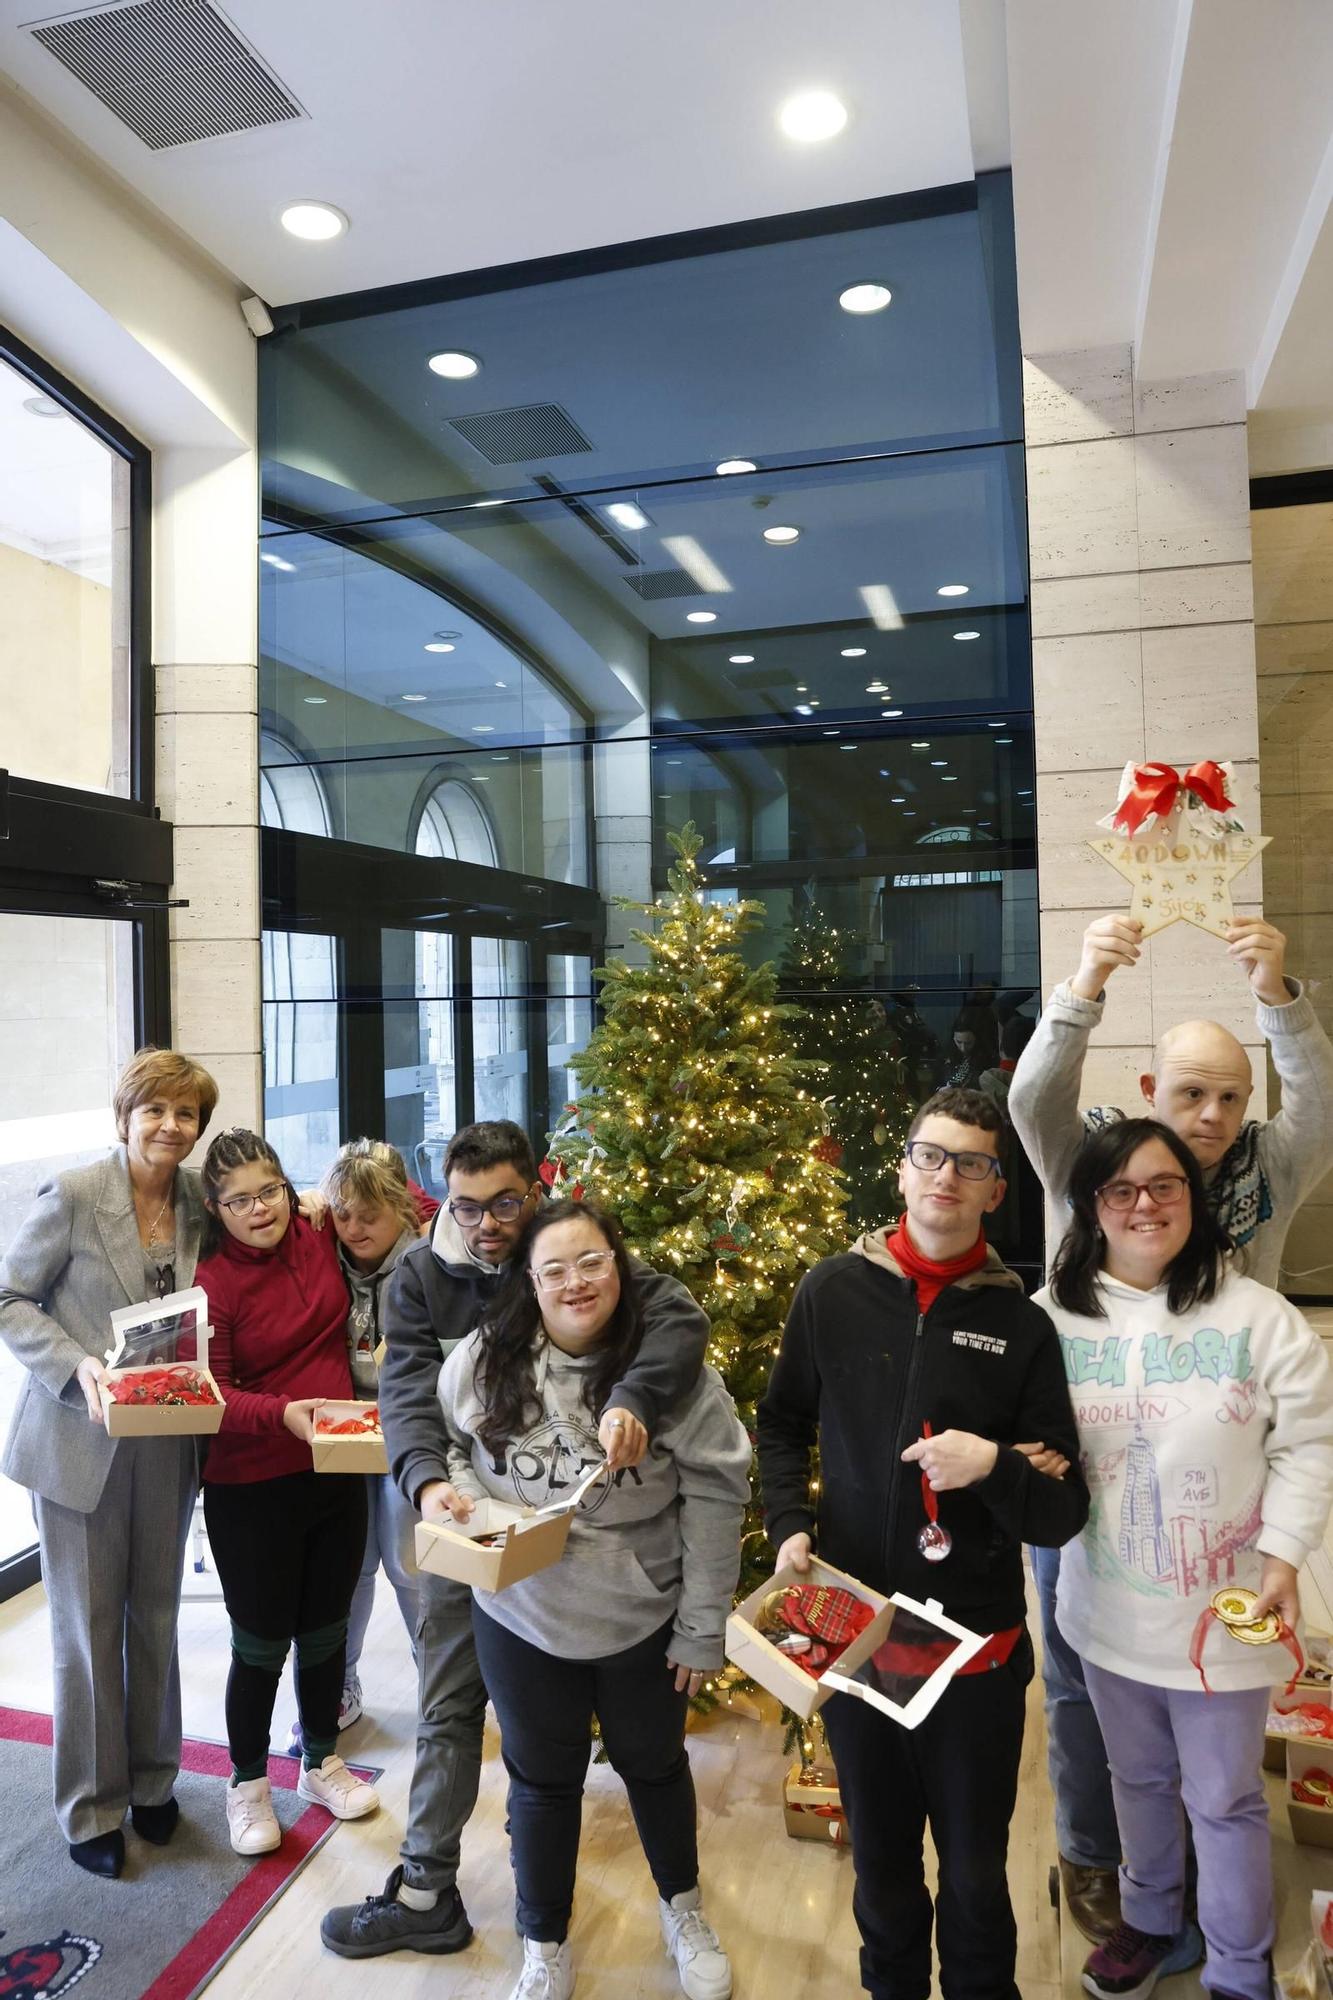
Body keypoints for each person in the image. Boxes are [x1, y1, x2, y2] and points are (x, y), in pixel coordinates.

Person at [1008, 912, 1333, 1940]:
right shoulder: (1103, 1161)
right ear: (1149, 1090)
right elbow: (1031, 1098)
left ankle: (1207, 1863)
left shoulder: (1263, 1168)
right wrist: (1088, 980)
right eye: (1191, 1091)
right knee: (1081, 1680)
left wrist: (1277, 997)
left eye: (1231, 1095)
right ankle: (1100, 1858)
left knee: (1211, 1689)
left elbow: (1318, 1102)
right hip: (1089, 1459)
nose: (1212, 1115)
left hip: (1220, 1472)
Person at [320, 1119, 711, 1960]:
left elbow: (674, 1316)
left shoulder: (571, 1255)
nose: (486, 1224)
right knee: (449, 1698)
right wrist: (427, 1483)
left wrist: (634, 1397)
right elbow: (408, 1393)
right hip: (467, 1527)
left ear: (534, 1191)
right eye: (466, 1207)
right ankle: (428, 1886)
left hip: (597, 1559)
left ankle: (669, 1902)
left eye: (504, 1204)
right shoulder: (424, 1274)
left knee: (626, 1751)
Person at [757, 1087, 1089, 2000]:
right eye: (931, 1155)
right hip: (861, 1636)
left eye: (973, 1164)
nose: (947, 1175)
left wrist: (991, 1465)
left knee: (977, 1877)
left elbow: (1061, 1513)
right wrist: (789, 1524)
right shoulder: (830, 1291)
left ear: (994, 1191)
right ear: (901, 1167)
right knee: (883, 1870)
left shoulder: (1023, 1328)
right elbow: (782, 1425)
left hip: (976, 1654)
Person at [1035, 1118, 1333, 2000]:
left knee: (1226, 1800)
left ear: (1192, 1200)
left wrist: (1283, 1554)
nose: (1143, 1205)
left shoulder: (1254, 1313)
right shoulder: (1052, 1318)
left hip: (1225, 1617)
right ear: (1092, 1206)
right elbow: (1023, 1436)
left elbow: (1309, 1440)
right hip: (1106, 1611)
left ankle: (1240, 1971)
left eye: (1163, 1185)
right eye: (1119, 1189)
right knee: (1136, 1778)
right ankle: (1151, 1919)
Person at [434, 1198, 748, 2000]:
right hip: (521, 1616)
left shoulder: (667, 1368)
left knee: (653, 1766)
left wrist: (701, 1627)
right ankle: (544, 1940)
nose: (575, 1283)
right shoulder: (486, 1358)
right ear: (530, 1284)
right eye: (554, 1270)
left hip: (641, 1619)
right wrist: (464, 1497)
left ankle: (683, 1911)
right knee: (540, 1782)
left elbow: (717, 1493)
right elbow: (449, 1441)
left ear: (621, 1267)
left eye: (592, 1263)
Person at [0, 1049, 218, 1877]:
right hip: (76, 1443)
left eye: (186, 1114)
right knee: (87, 1633)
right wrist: (74, 1366)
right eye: (154, 1110)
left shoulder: (200, 1202)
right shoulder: (75, 1195)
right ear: (124, 1116)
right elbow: (10, 1296)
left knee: (156, 1616)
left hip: (166, 1441)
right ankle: (91, 1803)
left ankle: (156, 1782)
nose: (170, 1126)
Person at [196, 1127, 380, 1857]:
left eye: (269, 1190)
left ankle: (320, 1762)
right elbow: (211, 1394)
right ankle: (245, 1783)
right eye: (239, 1200)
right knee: (262, 1642)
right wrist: (282, 1415)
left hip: (336, 1465)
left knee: (327, 1629)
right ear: (216, 1208)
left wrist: (317, 1199)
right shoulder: (215, 1281)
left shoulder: (317, 1231)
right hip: (252, 1482)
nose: (259, 1209)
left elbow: (411, 1204)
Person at [320, 1138, 425, 1734]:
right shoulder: (320, 1252)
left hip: (409, 1434)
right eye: (342, 1214)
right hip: (339, 1431)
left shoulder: (429, 1262)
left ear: (403, 1211)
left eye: (369, 1216)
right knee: (350, 1567)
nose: (353, 1228)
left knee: (411, 1564)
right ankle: (341, 1682)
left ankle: (438, 1683)